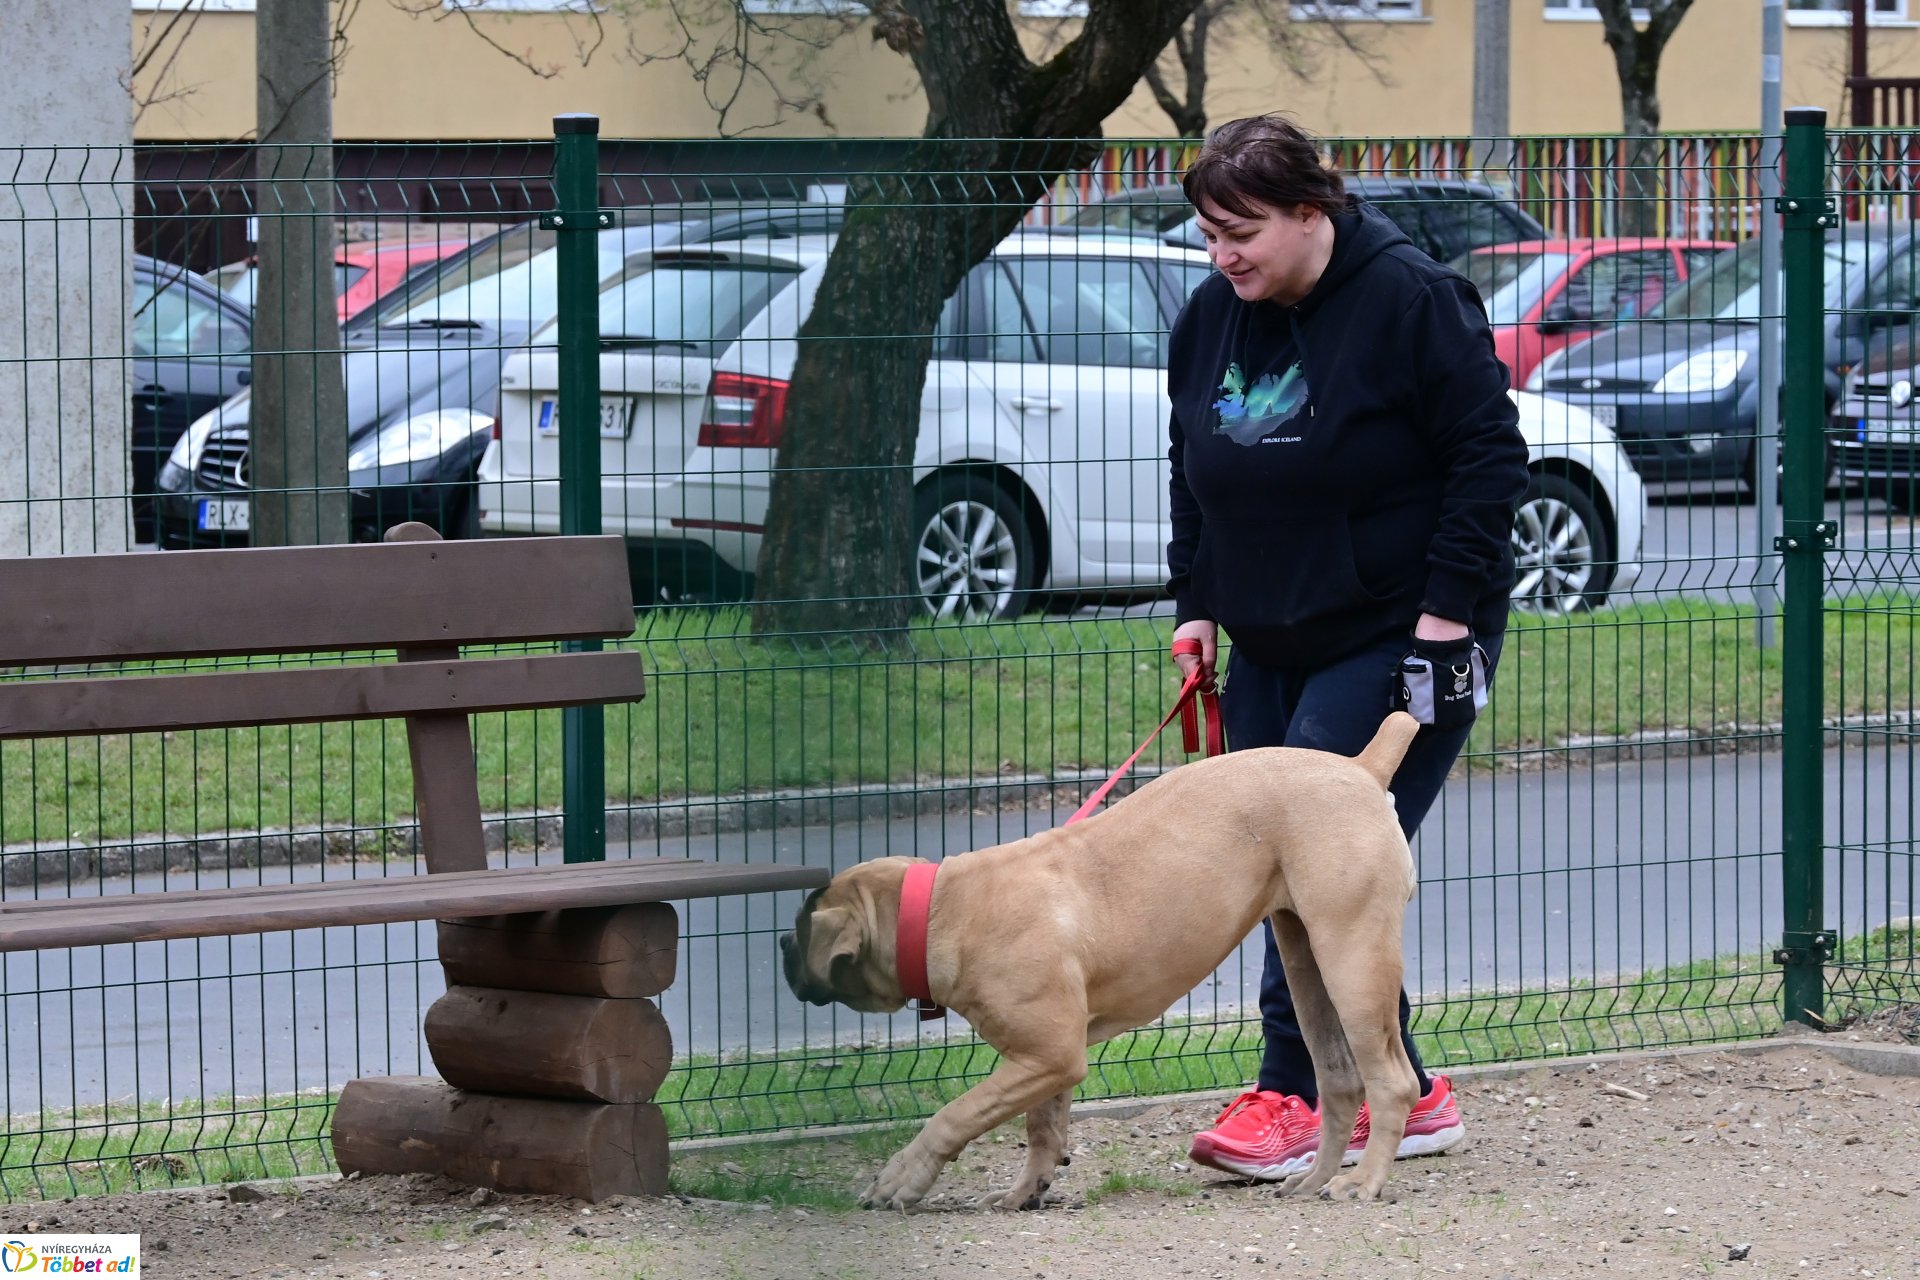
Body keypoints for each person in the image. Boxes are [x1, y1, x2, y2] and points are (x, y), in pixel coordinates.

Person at [1165, 115, 1530, 1181]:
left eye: (1242, 233)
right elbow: (1193, 465)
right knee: (1305, 870)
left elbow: (1490, 460)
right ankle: (1405, 1089)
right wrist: (1197, 602)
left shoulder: (1412, 299)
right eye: (1209, 234)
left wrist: (1445, 619)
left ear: (1310, 210)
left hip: (1401, 630)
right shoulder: (1211, 317)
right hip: (1272, 634)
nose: (1223, 255)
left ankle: (1293, 1093)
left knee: (1307, 860)